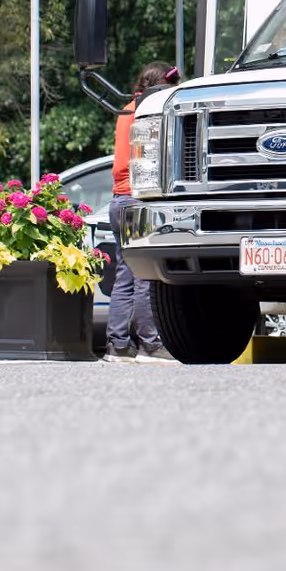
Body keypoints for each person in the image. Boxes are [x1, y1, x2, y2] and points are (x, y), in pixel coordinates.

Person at [106, 61, 180, 363]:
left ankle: (118, 345)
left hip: (118, 200)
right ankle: (150, 344)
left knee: (125, 274)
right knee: (145, 277)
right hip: (137, 200)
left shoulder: (127, 109)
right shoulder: (149, 110)